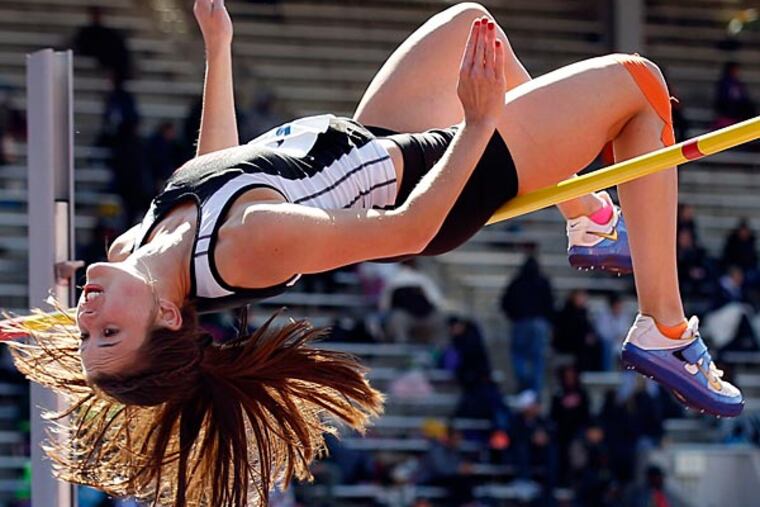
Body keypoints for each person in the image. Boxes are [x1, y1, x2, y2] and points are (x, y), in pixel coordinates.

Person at [5, 1, 742, 506]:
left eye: (86, 331)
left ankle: (585, 215)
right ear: (168, 314)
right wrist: (481, 123)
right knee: (639, 86)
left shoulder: (138, 242)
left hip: (371, 141)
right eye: (111, 332)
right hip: (439, 178)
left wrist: (218, 45)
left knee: (468, 24)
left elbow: (215, 165)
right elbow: (414, 231)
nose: (89, 314)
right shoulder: (251, 245)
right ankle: (666, 328)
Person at [500, 250, 554, 391]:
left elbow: (505, 302)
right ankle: (534, 391)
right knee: (537, 360)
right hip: (538, 324)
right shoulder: (543, 282)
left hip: (520, 323)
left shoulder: (517, 282)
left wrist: (514, 315)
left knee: (519, 357)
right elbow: (550, 304)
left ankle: (525, 386)